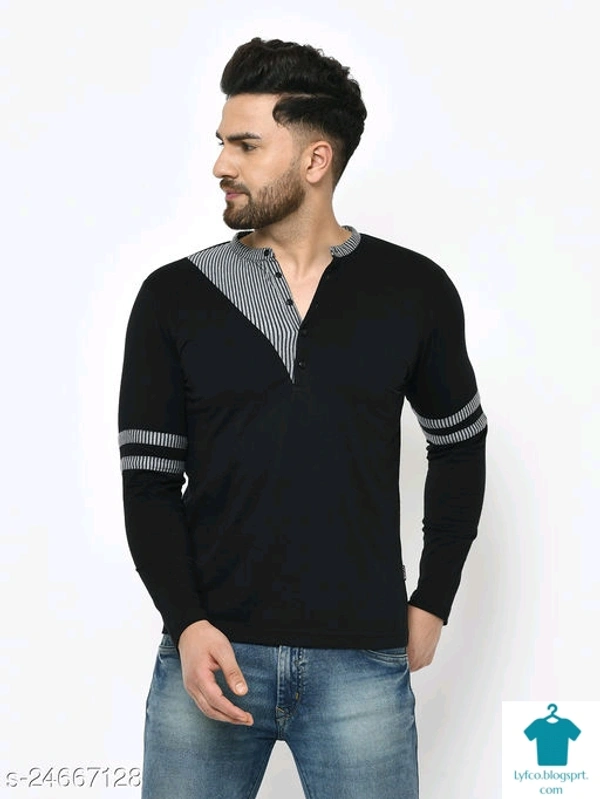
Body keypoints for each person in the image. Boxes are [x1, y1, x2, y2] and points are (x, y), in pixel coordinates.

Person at [117, 37, 487, 799]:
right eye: (222, 141)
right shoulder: (174, 297)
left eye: (246, 145)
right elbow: (148, 484)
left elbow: (459, 446)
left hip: (362, 662)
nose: (220, 164)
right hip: (211, 655)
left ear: (316, 160)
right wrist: (186, 622)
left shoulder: (413, 290)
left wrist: (434, 598)